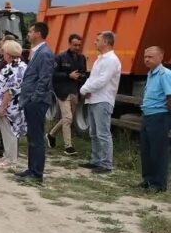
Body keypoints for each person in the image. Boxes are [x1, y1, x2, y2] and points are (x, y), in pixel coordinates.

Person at [16, 22, 55, 183]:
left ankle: (37, 173)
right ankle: (31, 168)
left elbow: (44, 78)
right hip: (31, 100)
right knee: (32, 136)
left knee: (37, 137)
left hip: (36, 102)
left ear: (38, 33)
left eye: (31, 31)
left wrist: (35, 98)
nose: (28, 34)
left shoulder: (44, 53)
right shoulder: (37, 52)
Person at [78, 31, 121, 174]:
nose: (95, 42)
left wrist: (84, 89)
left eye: (98, 40)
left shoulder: (111, 60)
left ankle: (106, 164)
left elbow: (102, 80)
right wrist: (87, 88)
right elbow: (93, 78)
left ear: (106, 42)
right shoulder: (99, 59)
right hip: (94, 98)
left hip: (103, 99)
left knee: (103, 133)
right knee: (94, 132)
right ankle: (96, 160)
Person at [0, 40, 27, 168]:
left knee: (10, 133)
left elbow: (10, 90)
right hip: (6, 105)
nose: (3, 54)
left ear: (8, 54)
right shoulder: (13, 65)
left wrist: (2, 107)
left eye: (4, 52)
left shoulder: (17, 68)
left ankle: (11, 160)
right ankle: (7, 155)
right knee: (5, 132)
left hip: (10, 107)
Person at [138, 46, 171, 191]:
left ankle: (158, 184)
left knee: (158, 151)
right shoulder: (151, 73)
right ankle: (147, 179)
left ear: (160, 57)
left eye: (150, 57)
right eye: (145, 56)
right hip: (147, 115)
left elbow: (170, 97)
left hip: (159, 116)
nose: (147, 59)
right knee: (146, 149)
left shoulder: (165, 74)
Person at [48, 34, 87, 154]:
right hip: (62, 91)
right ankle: (68, 146)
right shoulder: (60, 57)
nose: (77, 47)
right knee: (68, 117)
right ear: (69, 44)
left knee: (67, 118)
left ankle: (51, 135)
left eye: (79, 45)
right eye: (75, 45)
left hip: (75, 91)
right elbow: (53, 74)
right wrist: (68, 75)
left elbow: (84, 73)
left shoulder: (82, 58)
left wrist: (81, 77)